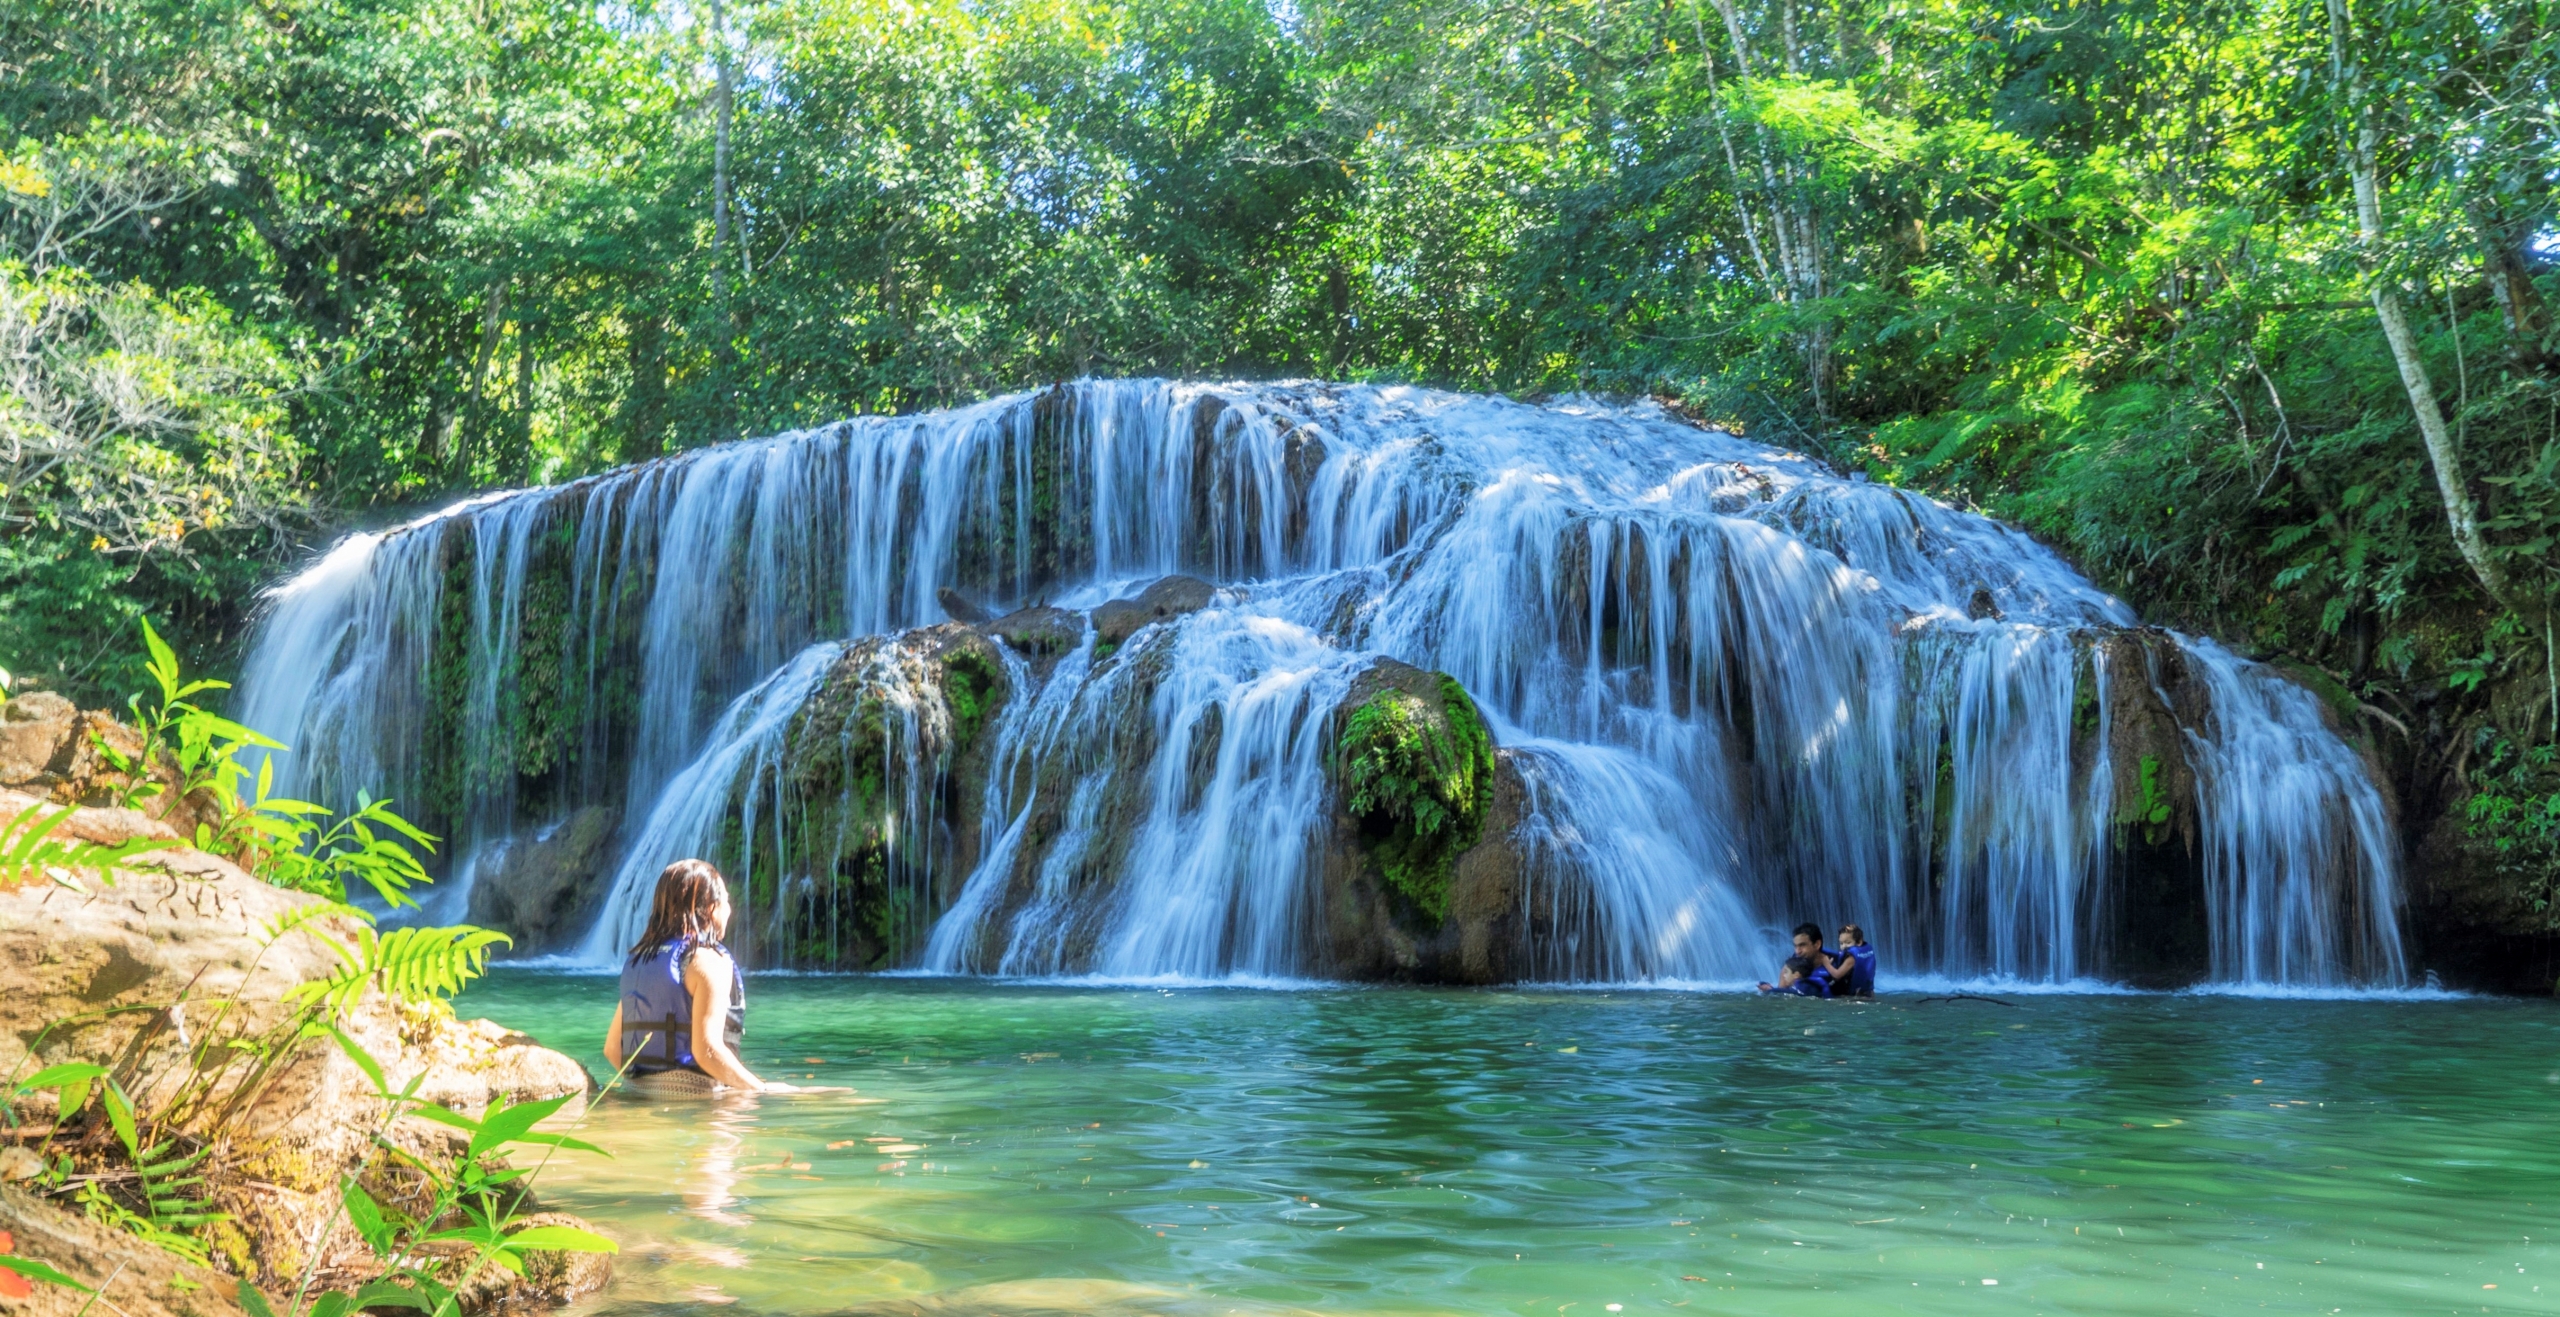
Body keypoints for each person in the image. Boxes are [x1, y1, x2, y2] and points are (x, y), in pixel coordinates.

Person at [604, 859, 790, 1093]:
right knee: (804, 1094)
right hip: (694, 1096)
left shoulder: (640, 960)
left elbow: (612, 1049)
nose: (730, 909)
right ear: (712, 908)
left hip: (634, 1091)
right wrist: (761, 1090)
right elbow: (707, 1052)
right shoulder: (707, 961)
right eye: (726, 901)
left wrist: (649, 1089)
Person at [1757, 923, 1833, 996]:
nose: (1797, 951)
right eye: (1795, 946)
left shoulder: (1836, 964)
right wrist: (1771, 990)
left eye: (1802, 945)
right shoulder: (1789, 967)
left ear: (1817, 944)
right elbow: (1782, 998)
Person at [1825, 923, 1877, 997]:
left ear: (1859, 942)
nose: (1844, 946)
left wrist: (1826, 963)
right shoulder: (1867, 950)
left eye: (1848, 943)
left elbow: (1837, 975)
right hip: (1867, 992)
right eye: (1841, 943)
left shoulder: (1851, 957)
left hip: (1851, 994)